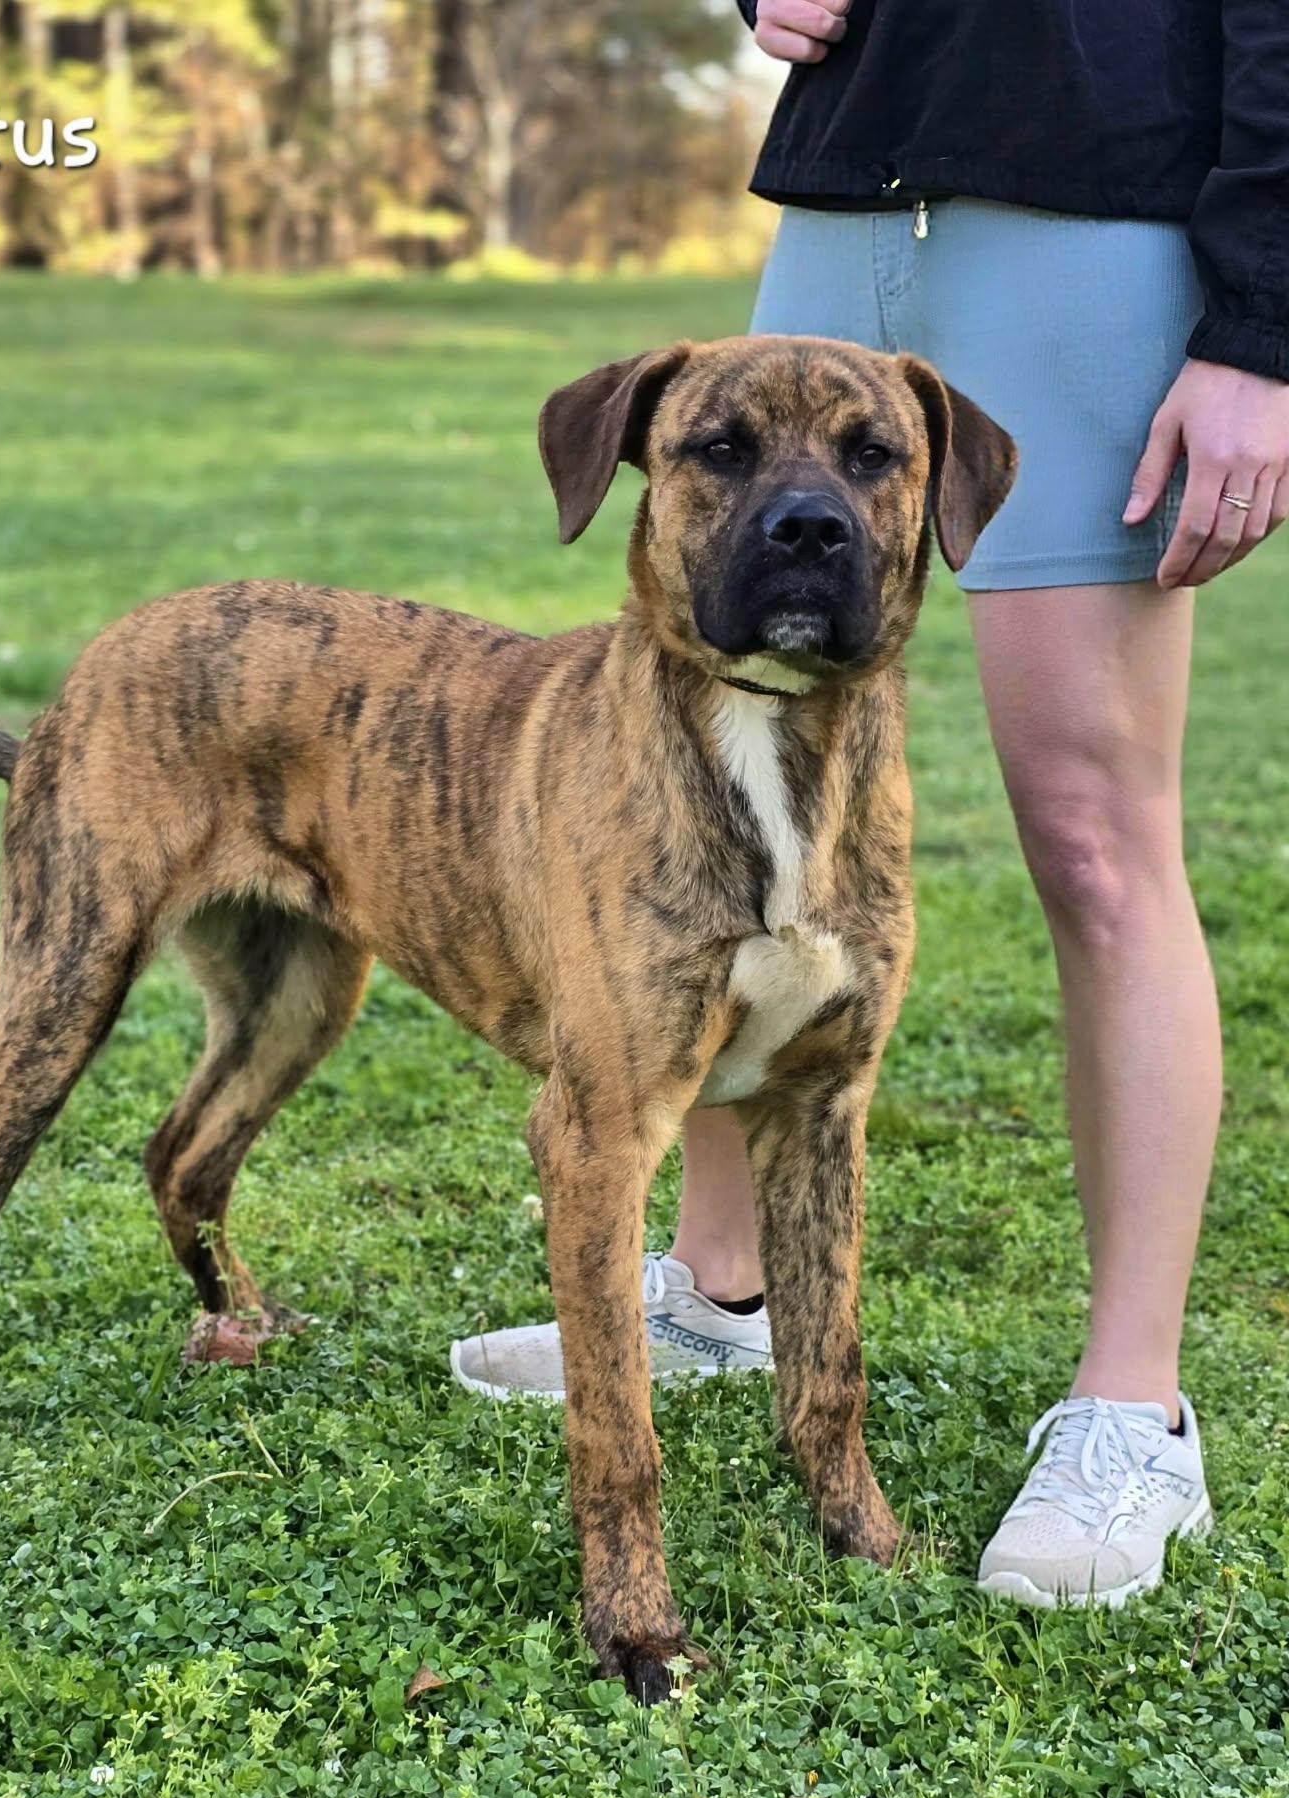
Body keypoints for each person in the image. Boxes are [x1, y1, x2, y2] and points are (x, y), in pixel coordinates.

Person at [451, 0, 1289, 1608]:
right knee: (681, 810)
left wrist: (1258, 317)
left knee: (1100, 841)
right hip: (844, 196)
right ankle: (715, 1291)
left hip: (1092, 212)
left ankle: (1132, 1411)